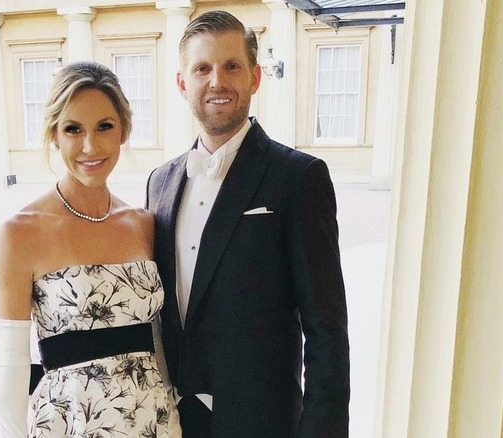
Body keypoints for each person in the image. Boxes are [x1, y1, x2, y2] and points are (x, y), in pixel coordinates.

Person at [146, 10, 350, 438]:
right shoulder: (159, 183)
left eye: (231, 66)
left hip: (262, 422)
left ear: (255, 78)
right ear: (183, 83)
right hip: (171, 422)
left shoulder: (298, 178)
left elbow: (326, 331)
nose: (217, 81)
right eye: (202, 68)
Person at [0, 61, 181, 438]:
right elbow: (12, 360)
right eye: (73, 129)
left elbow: (155, 337)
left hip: (153, 418)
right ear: (54, 136)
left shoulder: (142, 224)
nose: (90, 146)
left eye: (104, 127)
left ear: (123, 131)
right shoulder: (19, 233)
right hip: (73, 422)